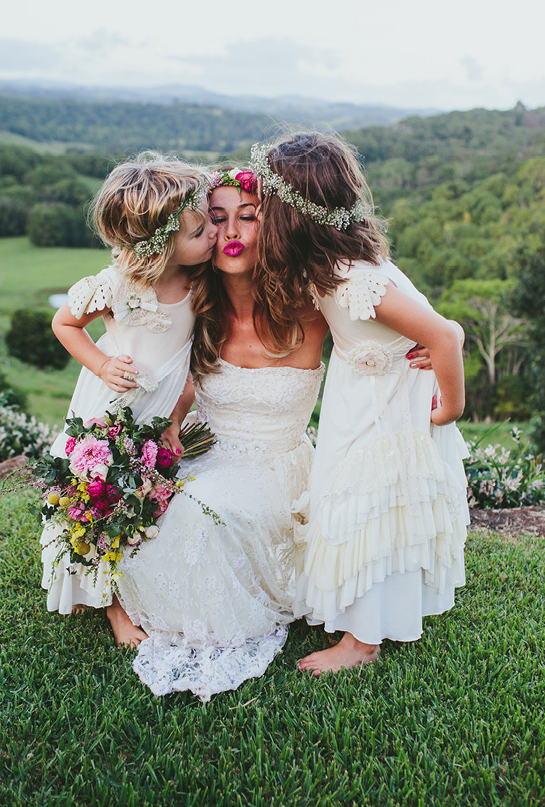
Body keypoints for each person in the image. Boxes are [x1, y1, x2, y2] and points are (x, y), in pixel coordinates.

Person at [254, 131, 469, 674]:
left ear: (293, 215)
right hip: (365, 401)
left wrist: (451, 406)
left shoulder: (357, 279)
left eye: (267, 204)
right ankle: (370, 615)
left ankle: (361, 641)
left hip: (386, 414)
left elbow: (442, 336)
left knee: (367, 518)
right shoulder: (332, 266)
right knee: (366, 514)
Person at [114, 167, 328, 701]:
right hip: (206, 450)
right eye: (217, 218)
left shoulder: (314, 306)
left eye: (248, 217)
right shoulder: (192, 305)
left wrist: (424, 351)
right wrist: (165, 419)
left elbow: (389, 319)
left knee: (203, 510)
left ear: (272, 228)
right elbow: (167, 368)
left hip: (276, 466)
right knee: (149, 496)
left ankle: (189, 617)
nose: (231, 231)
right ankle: (121, 605)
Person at [40, 152, 216, 640]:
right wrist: (100, 363)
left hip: (157, 414)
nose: (213, 237)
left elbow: (188, 357)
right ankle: (113, 607)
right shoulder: (118, 283)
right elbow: (65, 322)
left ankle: (139, 586)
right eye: (199, 232)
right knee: (103, 501)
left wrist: (177, 418)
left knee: (143, 505)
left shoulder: (200, 281)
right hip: (112, 411)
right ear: (162, 245)